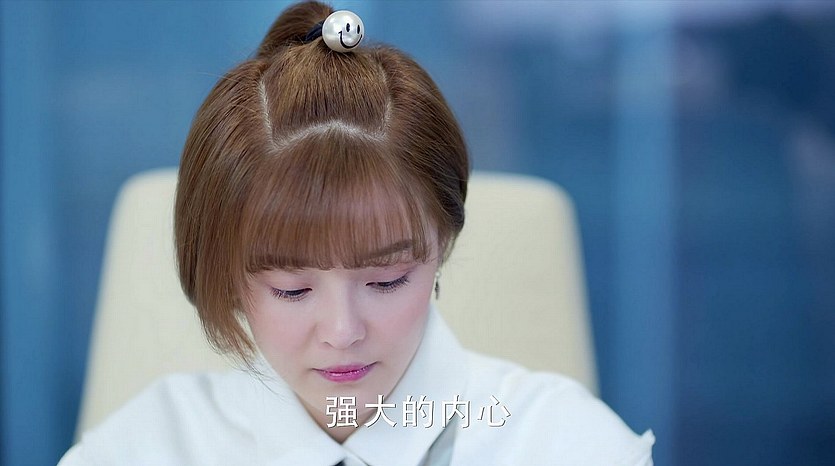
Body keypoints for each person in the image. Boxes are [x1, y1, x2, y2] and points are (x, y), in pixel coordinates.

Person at [59, 2, 654, 464]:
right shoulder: (146, 448)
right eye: (292, 289)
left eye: (387, 280)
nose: (343, 332)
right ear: (225, 273)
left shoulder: (567, 445)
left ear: (442, 245)